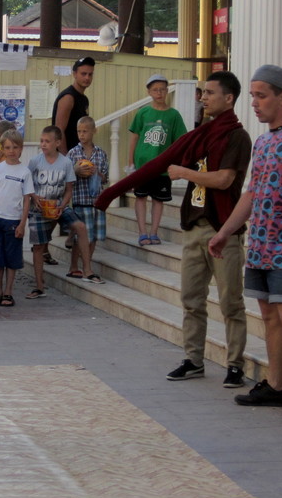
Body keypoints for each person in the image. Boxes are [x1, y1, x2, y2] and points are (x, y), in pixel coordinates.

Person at [94, 71, 252, 388]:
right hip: (194, 226)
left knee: (230, 303)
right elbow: (156, 164)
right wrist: (109, 194)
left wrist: (183, 172)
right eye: (202, 92)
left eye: (209, 92)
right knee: (191, 300)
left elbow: (224, 180)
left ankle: (234, 365)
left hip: (223, 231)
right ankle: (193, 360)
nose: (203, 97)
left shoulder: (237, 136)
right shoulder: (200, 135)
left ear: (229, 98)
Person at [210, 65, 282, 420]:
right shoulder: (262, 142)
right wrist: (225, 231)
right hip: (260, 244)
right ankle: (276, 386)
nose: (256, 103)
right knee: (269, 316)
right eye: (253, 96)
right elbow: (250, 194)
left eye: (262, 96)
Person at [25, 125, 92, 299]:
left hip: (59, 205)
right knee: (38, 246)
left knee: (80, 227)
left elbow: (69, 188)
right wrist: (34, 197)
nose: (43, 144)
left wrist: (63, 204)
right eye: (41, 141)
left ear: (58, 142)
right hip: (39, 208)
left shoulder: (66, 162)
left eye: (47, 141)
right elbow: (27, 185)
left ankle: (87, 270)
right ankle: (39, 286)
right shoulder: (35, 162)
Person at [127, 74, 188, 247]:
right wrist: (130, 162)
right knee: (140, 197)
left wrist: (176, 162)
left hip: (162, 166)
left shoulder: (174, 115)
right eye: (155, 90)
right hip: (143, 165)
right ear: (149, 92)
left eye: (162, 89)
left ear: (167, 91)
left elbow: (180, 141)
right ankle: (142, 232)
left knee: (158, 199)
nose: (159, 93)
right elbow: (134, 137)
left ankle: (154, 232)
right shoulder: (143, 113)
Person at [0, 129, 33, 308]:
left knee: (12, 259)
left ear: (21, 149)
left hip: (13, 221)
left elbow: (27, 200)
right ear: (2, 148)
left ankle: (8, 293)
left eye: (15, 147)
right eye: (7, 147)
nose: (11, 151)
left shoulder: (25, 172)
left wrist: (22, 223)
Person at [66, 116, 109, 283]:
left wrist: (96, 172)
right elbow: (67, 176)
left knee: (94, 236)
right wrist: (77, 170)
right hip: (80, 199)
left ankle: (87, 263)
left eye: (85, 131)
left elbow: (105, 177)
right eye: (79, 131)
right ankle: (77, 267)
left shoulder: (101, 154)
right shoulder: (73, 153)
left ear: (93, 131)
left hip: (97, 201)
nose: (81, 134)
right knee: (81, 236)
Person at [52, 56, 94, 153]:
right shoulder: (68, 97)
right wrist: (66, 158)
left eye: (90, 74)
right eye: (83, 74)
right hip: (67, 156)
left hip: (79, 155)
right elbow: (59, 130)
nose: (87, 77)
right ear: (75, 74)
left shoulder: (84, 99)